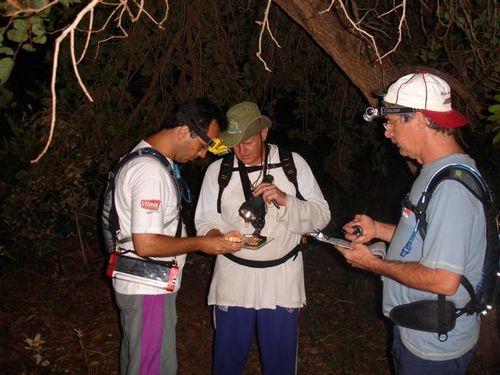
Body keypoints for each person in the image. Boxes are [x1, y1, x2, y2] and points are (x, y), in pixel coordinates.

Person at [337, 72, 486, 375]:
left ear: (418, 119)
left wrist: (373, 265)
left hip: (433, 347)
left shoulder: (452, 189)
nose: (387, 133)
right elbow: (427, 236)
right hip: (416, 329)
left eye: (391, 123)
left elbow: (444, 279)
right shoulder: (434, 172)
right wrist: (378, 229)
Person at [194, 101, 331, 374]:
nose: (240, 150)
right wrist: (217, 237)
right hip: (233, 277)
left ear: (264, 134)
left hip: (282, 277)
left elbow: (322, 215)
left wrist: (285, 200)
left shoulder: (292, 164)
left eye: (248, 141)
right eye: (234, 143)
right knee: (227, 360)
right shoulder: (218, 172)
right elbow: (205, 220)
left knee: (280, 362)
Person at [110, 97, 242, 375]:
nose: (202, 154)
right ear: (184, 131)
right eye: (204, 145)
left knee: (139, 362)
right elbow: (145, 244)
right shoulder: (150, 172)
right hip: (148, 289)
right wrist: (201, 243)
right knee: (151, 368)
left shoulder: (146, 160)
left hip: (141, 285)